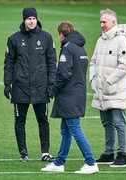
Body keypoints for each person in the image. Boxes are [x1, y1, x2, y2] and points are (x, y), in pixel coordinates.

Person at [41, 21, 99, 174]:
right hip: (77, 93)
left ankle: (91, 162)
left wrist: (53, 89)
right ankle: (59, 163)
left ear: (61, 35)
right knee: (65, 131)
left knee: (74, 128)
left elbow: (64, 73)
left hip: (69, 95)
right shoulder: (81, 48)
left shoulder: (67, 48)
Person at [3, 7, 57, 163]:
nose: (31, 21)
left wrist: (51, 84)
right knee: (20, 121)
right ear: (24, 20)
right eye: (29, 19)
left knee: (43, 121)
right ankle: (23, 153)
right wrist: (7, 84)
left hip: (41, 87)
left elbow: (51, 63)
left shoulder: (46, 38)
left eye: (33, 18)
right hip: (20, 88)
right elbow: (9, 63)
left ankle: (45, 153)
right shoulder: (14, 39)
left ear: (37, 20)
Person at [89, 8, 126, 168]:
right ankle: (108, 154)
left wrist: (108, 81)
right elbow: (93, 61)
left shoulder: (122, 40)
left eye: (104, 22)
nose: (101, 25)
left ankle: (122, 155)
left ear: (113, 23)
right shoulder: (101, 40)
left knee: (119, 122)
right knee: (106, 123)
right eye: (100, 22)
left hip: (115, 91)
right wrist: (93, 79)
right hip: (101, 91)